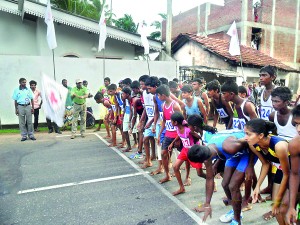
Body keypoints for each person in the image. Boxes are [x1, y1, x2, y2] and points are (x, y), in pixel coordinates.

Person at [188, 130, 249, 225]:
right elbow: (209, 178)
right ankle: (236, 211)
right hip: (234, 155)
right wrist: (207, 204)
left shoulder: (228, 147)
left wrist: (251, 168)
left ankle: (237, 220)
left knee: (233, 186)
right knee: (225, 184)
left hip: (247, 153)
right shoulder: (207, 151)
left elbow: (251, 143)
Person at [244, 118, 290, 225]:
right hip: (281, 171)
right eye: (245, 133)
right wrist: (257, 186)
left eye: (248, 134)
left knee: (283, 207)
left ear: (260, 135)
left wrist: (278, 201)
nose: (245, 137)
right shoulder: (253, 144)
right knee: (276, 208)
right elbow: (265, 164)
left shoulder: (279, 146)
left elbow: (287, 174)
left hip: (295, 172)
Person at [168, 112, 215, 196]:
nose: (170, 122)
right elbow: (179, 135)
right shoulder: (178, 128)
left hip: (194, 151)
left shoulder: (188, 130)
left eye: (171, 121)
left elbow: (199, 136)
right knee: (175, 167)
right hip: (185, 150)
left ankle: (212, 181)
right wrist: (172, 142)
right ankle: (181, 188)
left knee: (200, 173)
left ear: (175, 122)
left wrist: (201, 144)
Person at [156, 84, 181, 184]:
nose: (158, 97)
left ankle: (187, 176)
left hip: (177, 135)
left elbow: (181, 123)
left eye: (158, 95)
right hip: (168, 134)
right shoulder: (163, 105)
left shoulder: (175, 106)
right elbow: (164, 122)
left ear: (163, 95)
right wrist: (159, 135)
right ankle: (167, 175)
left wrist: (179, 137)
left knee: (183, 156)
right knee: (163, 154)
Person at [138, 76, 159, 168]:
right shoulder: (144, 93)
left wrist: (151, 122)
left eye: (143, 84)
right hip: (149, 119)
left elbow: (157, 111)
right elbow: (146, 108)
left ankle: (159, 161)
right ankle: (148, 159)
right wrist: (141, 120)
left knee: (157, 142)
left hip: (156, 121)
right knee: (146, 139)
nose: (141, 86)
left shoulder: (154, 95)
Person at [286, 105, 300, 225]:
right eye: (296, 124)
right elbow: (294, 174)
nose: (299, 129)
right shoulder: (295, 144)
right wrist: (292, 206)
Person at [121, 87, 132, 152]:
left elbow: (132, 110)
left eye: (123, 94)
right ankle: (129, 146)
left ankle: (139, 146)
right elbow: (125, 107)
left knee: (134, 131)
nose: (122, 95)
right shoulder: (126, 100)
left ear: (127, 94)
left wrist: (130, 120)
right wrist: (123, 115)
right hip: (126, 114)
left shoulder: (131, 99)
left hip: (131, 115)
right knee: (124, 130)